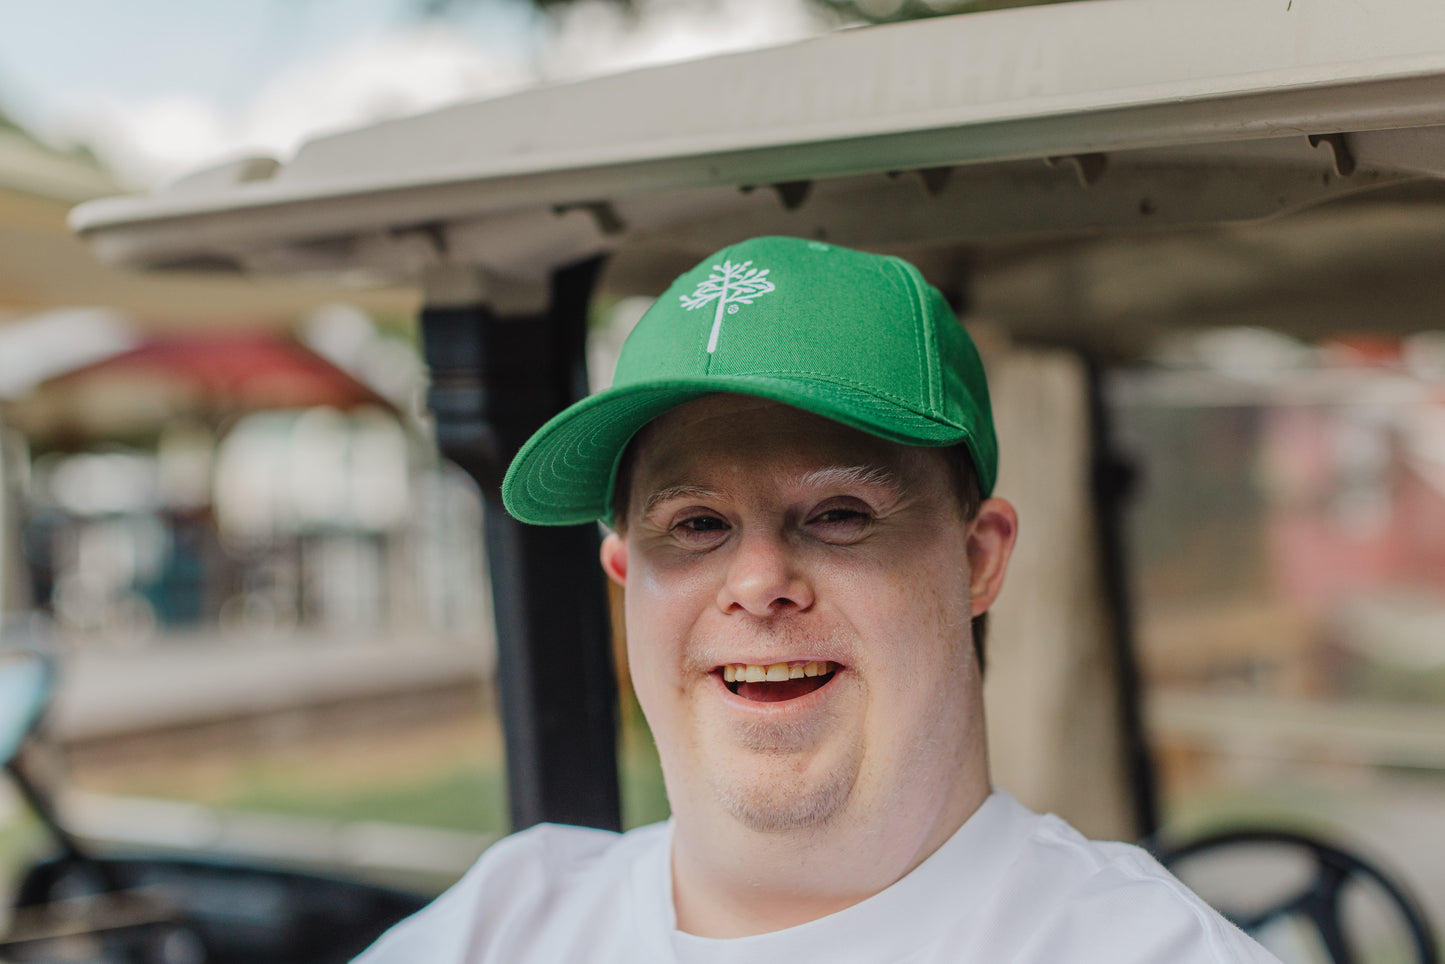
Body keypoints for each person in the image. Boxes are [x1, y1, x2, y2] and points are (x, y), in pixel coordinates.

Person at [355, 237, 1280, 963]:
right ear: (627, 579)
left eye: (839, 514)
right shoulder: (505, 923)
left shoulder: (1139, 949)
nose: (757, 583)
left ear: (977, 559)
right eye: (696, 524)